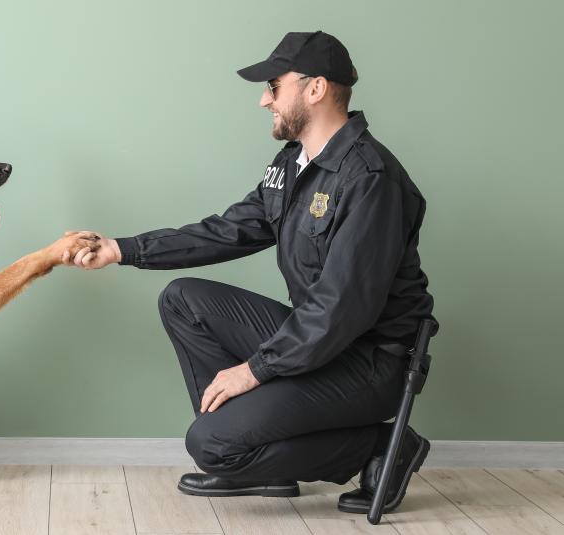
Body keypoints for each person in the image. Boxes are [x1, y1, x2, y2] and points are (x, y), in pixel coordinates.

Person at [63, 31, 436, 513]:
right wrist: (122, 249)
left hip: (370, 362)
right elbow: (227, 230)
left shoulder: (370, 178)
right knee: (182, 299)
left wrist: (253, 371)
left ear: (315, 88)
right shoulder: (293, 165)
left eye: (274, 86)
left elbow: (340, 310)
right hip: (322, 343)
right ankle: (256, 464)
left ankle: (382, 446)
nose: (264, 100)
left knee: (211, 445)